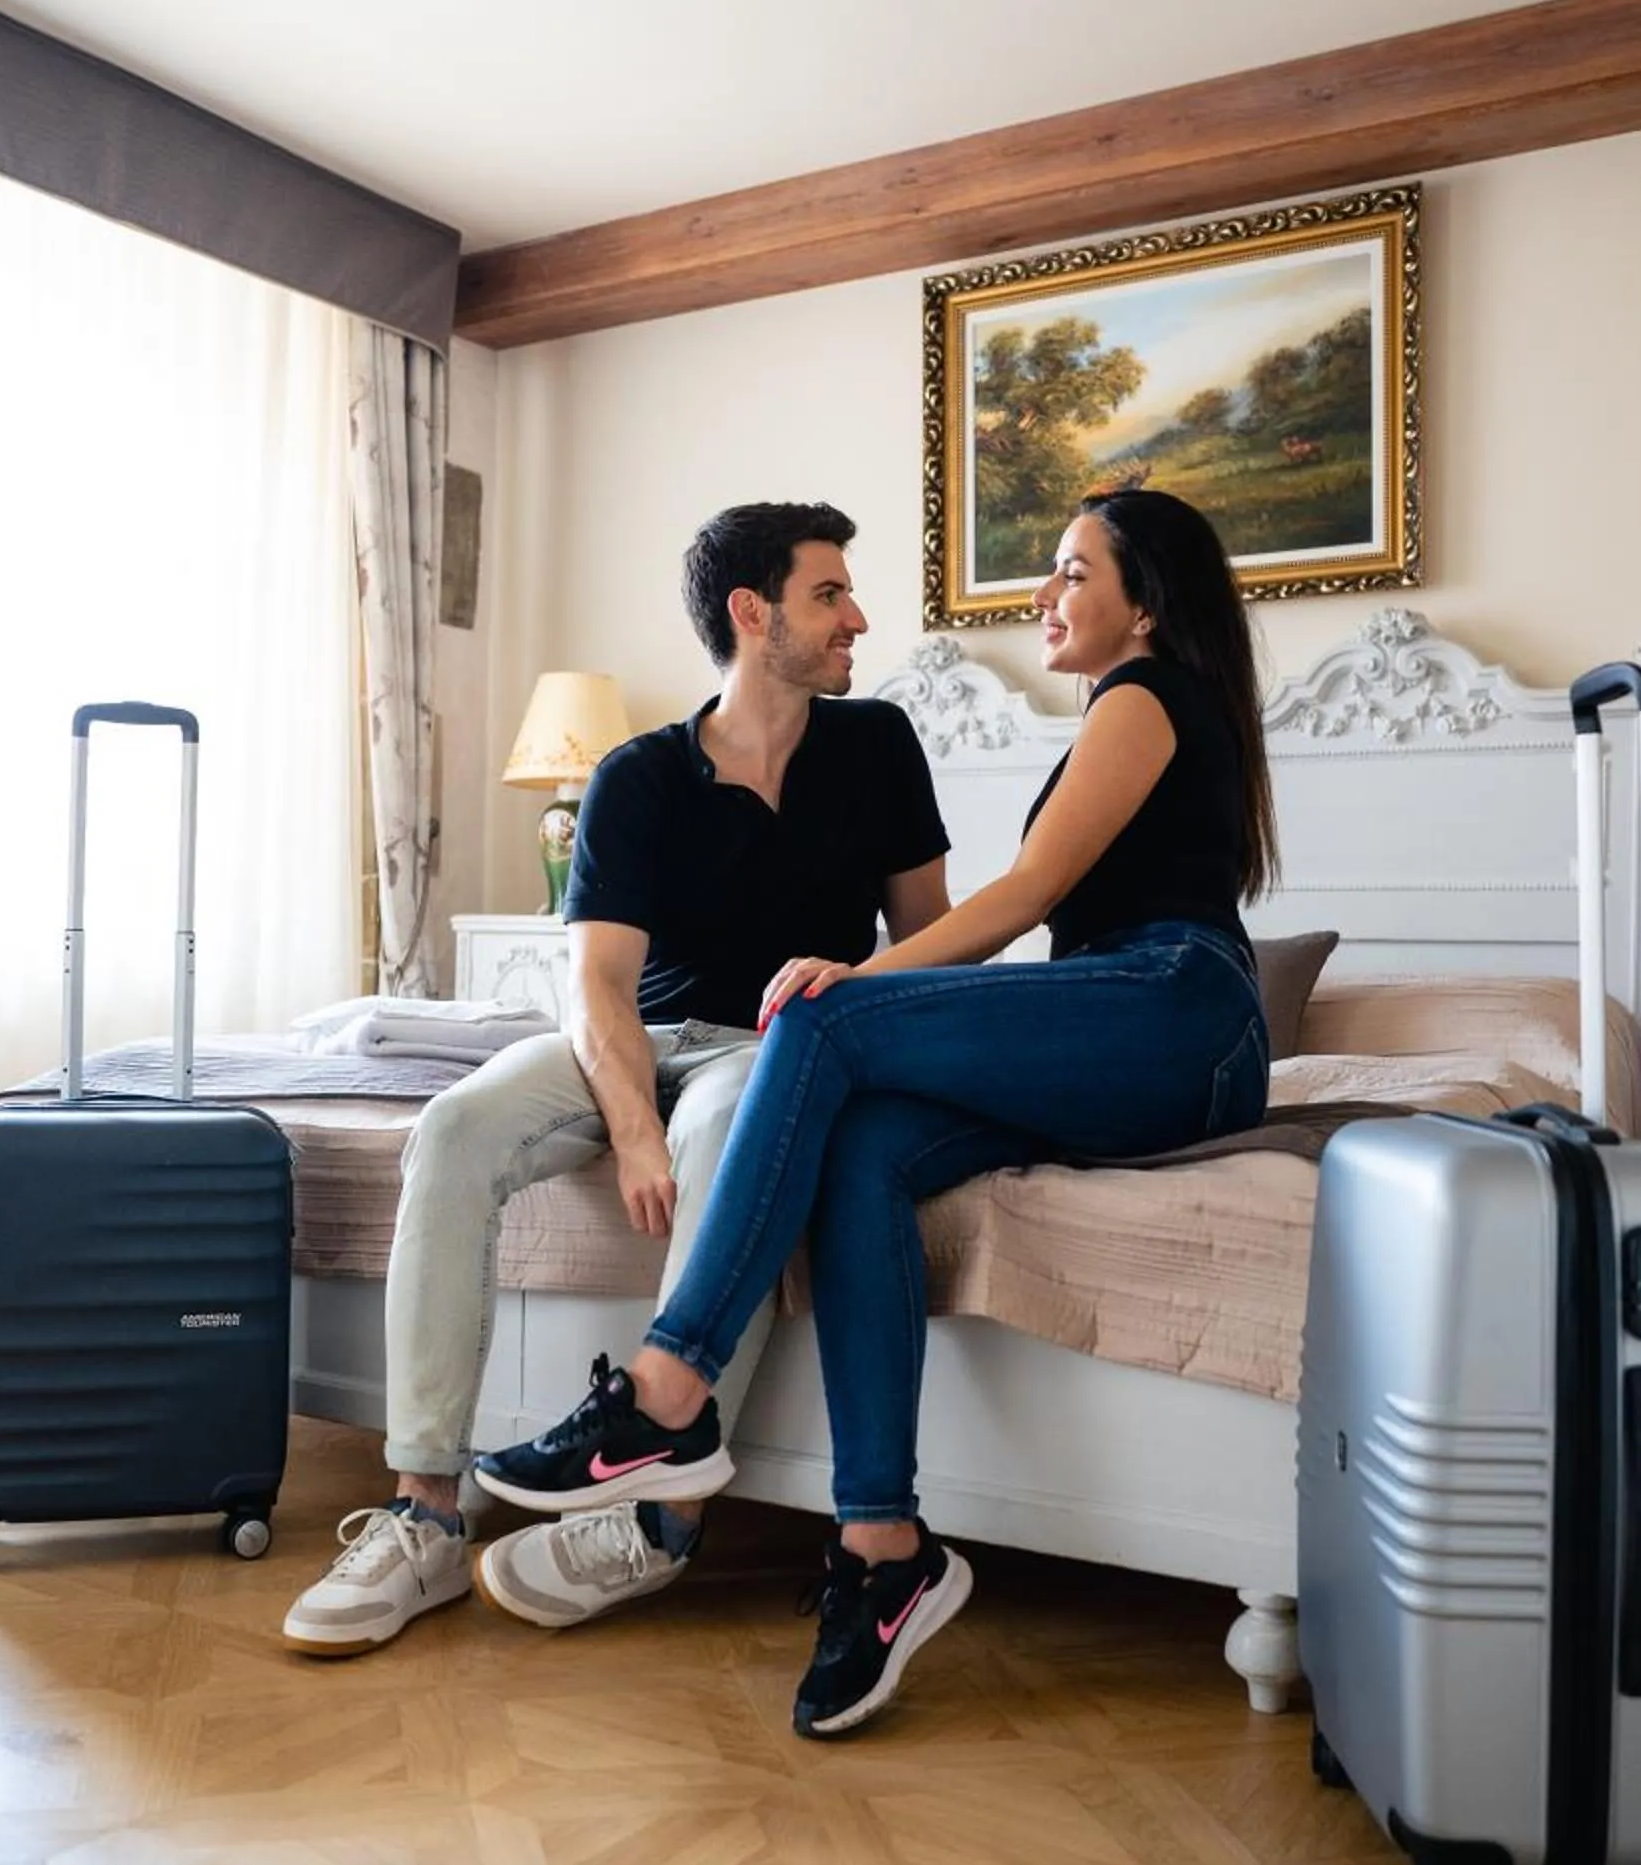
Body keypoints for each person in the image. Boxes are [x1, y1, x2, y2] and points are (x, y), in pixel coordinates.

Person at [499, 486, 1277, 1735]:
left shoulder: (1146, 694)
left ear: (1148, 603)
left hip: (1181, 1012)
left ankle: (665, 1388)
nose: (1045, 595)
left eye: (1075, 573)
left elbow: (1024, 894)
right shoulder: (1116, 712)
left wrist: (853, 984)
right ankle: (881, 1544)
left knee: (815, 1017)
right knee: (862, 1152)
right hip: (1122, 1025)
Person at [282, 502, 950, 1654]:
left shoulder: (878, 745)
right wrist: (631, 1128)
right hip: (635, 1038)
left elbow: (933, 940)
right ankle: (424, 1515)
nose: (858, 618)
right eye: (829, 594)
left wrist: (849, 990)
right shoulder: (636, 776)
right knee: (450, 1129)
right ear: (753, 614)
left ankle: (658, 1521)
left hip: (778, 1046)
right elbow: (597, 988)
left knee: (726, 1152)